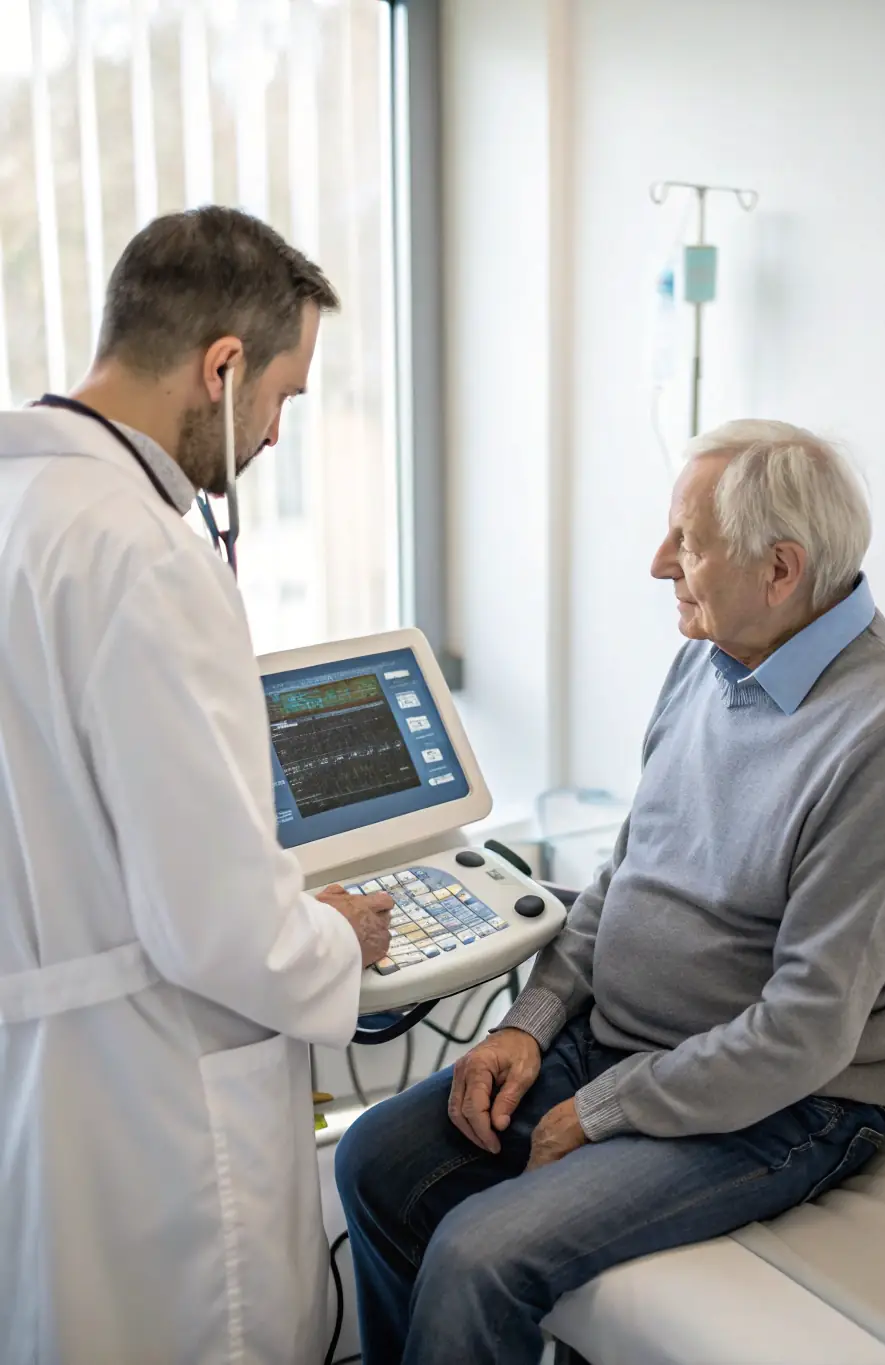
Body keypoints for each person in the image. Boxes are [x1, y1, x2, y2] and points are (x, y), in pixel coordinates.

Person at [337, 419, 885, 1365]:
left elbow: (806, 1032)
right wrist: (529, 1023)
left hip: (787, 1105)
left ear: (781, 569)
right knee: (375, 1158)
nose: (660, 561)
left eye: (690, 542)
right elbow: (624, 878)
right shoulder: (708, 664)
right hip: (620, 1050)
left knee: (478, 1253)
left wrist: (604, 1109)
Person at [0, 207, 393, 1365]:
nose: (274, 432)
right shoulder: (143, 553)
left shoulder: (21, 511)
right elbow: (218, 922)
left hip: (43, 1079)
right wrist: (336, 937)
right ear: (222, 364)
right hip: (154, 1108)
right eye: (283, 394)